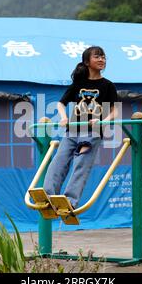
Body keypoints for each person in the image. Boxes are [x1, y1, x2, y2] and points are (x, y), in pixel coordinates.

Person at [43, 46, 118, 210]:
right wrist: (63, 117)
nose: (101, 60)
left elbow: (115, 111)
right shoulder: (78, 84)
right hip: (73, 130)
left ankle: (70, 201)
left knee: (81, 164)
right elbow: (61, 103)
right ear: (87, 61)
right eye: (97, 57)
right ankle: (48, 196)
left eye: (103, 57)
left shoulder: (108, 85)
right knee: (58, 161)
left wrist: (103, 121)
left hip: (92, 132)